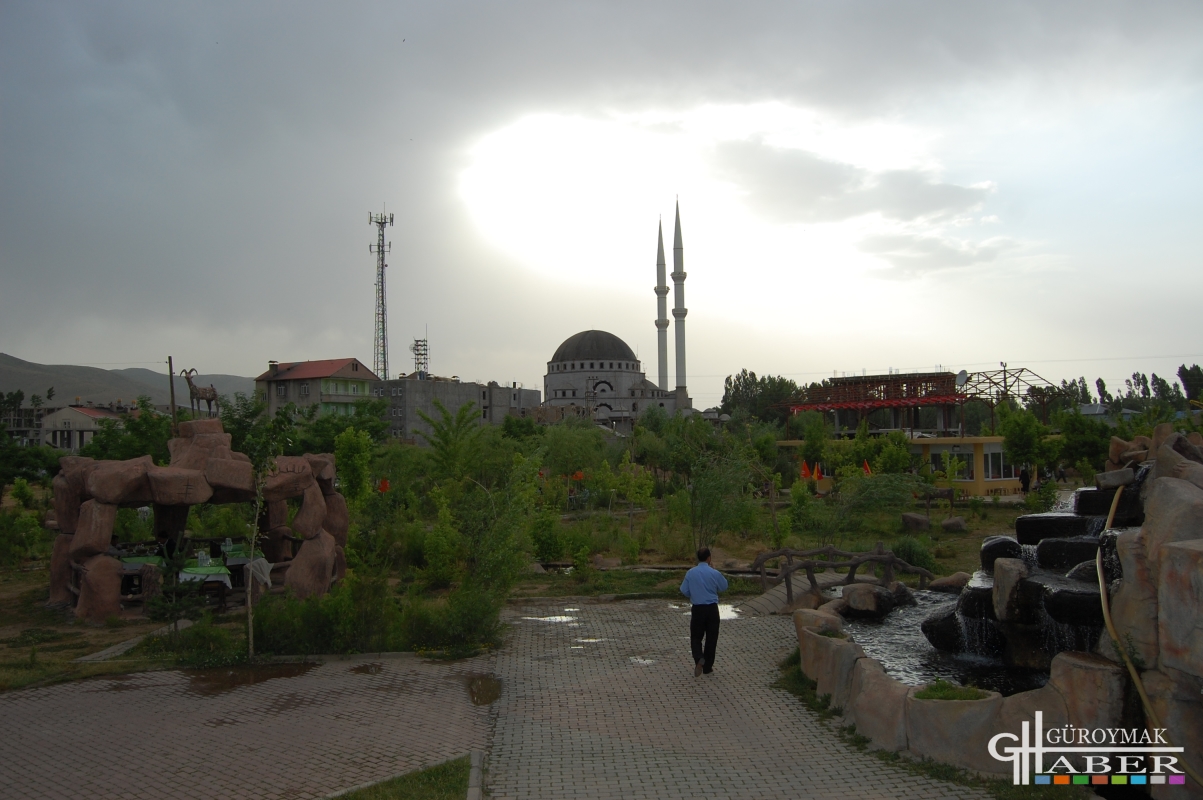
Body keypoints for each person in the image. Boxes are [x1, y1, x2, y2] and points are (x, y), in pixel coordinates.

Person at [680, 547, 728, 677]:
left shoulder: (690, 573)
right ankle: (707, 667)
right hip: (712, 609)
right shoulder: (714, 573)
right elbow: (724, 586)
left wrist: (694, 594)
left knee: (696, 637)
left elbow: (684, 590)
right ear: (709, 558)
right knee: (711, 638)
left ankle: (699, 659)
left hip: (697, 609)